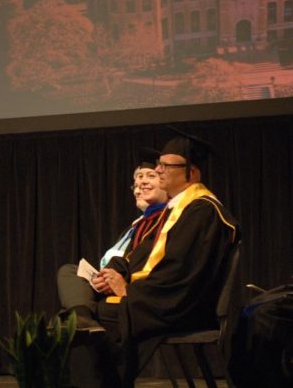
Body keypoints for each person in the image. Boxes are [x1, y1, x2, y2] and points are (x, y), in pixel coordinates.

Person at [74, 133, 240, 386]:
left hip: (183, 305)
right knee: (83, 320)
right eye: (159, 165)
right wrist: (117, 273)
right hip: (161, 297)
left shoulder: (202, 211)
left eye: (167, 166)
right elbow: (142, 254)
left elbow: (181, 273)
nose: (159, 171)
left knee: (99, 317)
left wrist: (130, 291)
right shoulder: (178, 210)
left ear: (191, 173)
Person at [57, 161, 168, 331]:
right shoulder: (134, 227)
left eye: (150, 176)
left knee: (65, 316)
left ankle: (80, 318)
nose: (140, 187)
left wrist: (118, 279)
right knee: (69, 271)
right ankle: (81, 316)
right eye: (136, 184)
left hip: (131, 286)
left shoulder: (168, 221)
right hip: (106, 281)